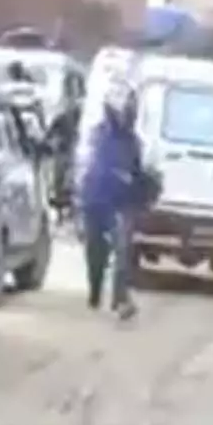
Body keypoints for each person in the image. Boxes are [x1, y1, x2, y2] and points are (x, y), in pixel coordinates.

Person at [78, 79, 147, 319]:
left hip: (120, 203)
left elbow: (138, 173)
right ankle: (95, 291)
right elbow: (91, 166)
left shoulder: (133, 142)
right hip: (96, 199)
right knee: (95, 251)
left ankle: (120, 299)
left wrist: (141, 189)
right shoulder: (97, 135)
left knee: (121, 250)